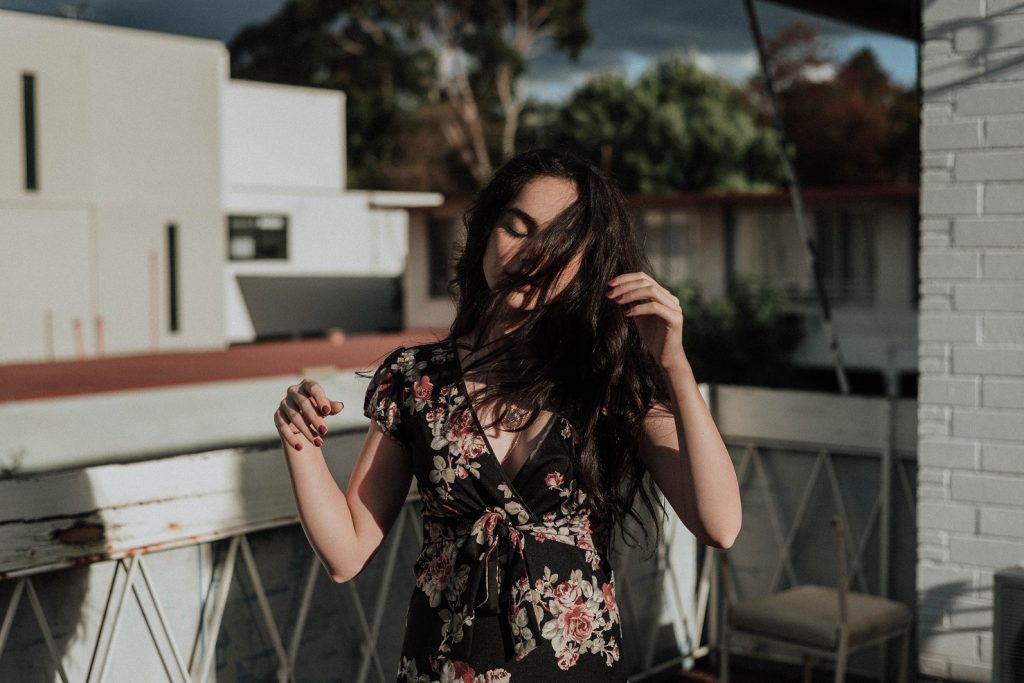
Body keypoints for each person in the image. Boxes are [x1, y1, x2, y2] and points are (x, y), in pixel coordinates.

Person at [273, 148, 742, 682]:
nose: (530, 255)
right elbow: (346, 551)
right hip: (445, 666)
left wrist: (674, 365)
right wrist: (299, 439)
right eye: (515, 229)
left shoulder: (608, 377)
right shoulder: (416, 378)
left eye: (557, 243)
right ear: (484, 235)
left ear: (587, 262)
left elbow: (720, 524)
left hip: (572, 667)